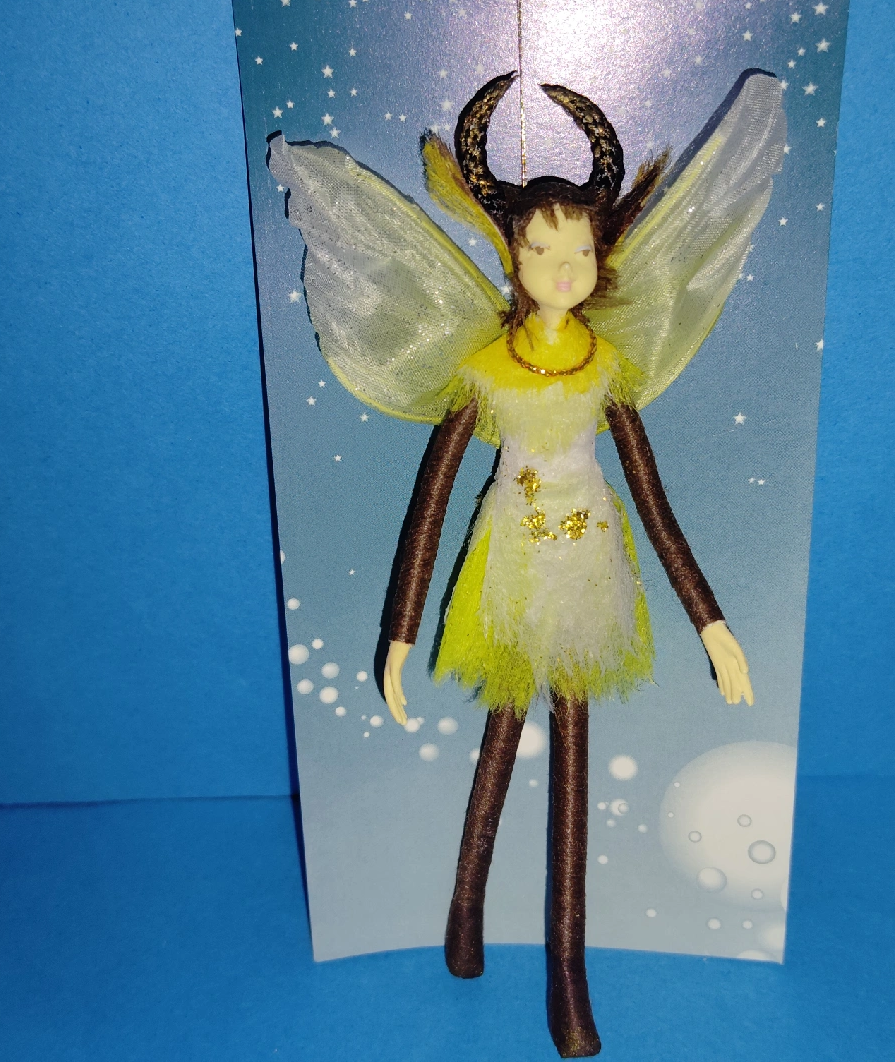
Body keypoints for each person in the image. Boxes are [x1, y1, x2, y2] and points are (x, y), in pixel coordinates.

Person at [269, 68, 784, 1058]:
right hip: (509, 565)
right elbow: (431, 501)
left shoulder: (608, 367)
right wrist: (400, 632)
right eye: (540, 248)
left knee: (573, 754)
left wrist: (712, 623)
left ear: (603, 253)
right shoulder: (484, 369)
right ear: (511, 254)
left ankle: (567, 971)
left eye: (579, 248)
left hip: (588, 563)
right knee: (501, 739)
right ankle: (465, 917)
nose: (561, 266)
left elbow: (654, 502)